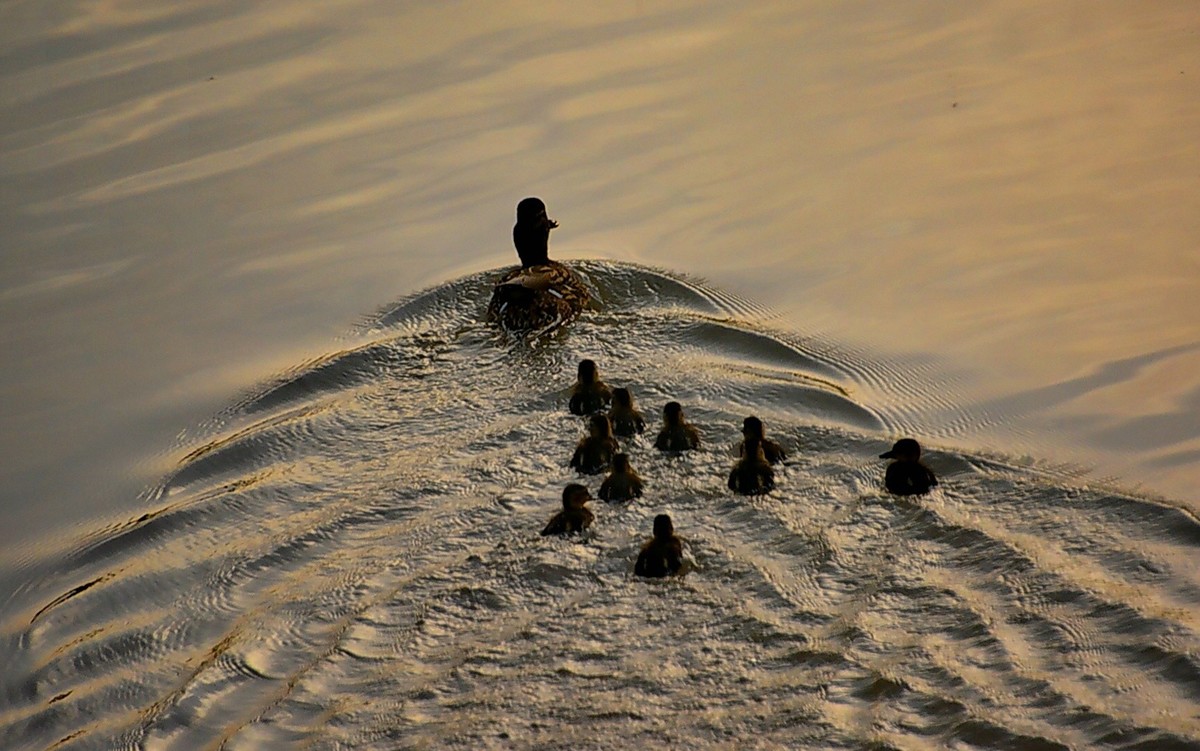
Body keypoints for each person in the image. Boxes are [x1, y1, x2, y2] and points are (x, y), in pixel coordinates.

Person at [486, 198, 590, 331]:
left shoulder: (508, 279)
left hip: (509, 311)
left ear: (517, 237)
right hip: (550, 306)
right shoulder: (560, 274)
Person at [634, 514, 685, 578]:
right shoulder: (674, 544)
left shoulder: (647, 549)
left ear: (654, 531)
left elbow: (638, 571)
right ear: (671, 529)